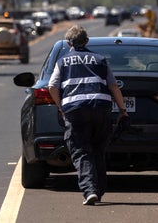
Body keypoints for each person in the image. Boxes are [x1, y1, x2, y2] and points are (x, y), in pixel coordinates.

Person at [48, 25, 128, 206]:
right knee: (98, 150)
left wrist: (61, 107)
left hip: (74, 111)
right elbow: (114, 86)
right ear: (87, 41)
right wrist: (123, 110)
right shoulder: (100, 59)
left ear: (69, 43)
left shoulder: (62, 62)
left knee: (81, 151)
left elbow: (52, 87)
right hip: (101, 109)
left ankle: (89, 191)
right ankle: (98, 190)